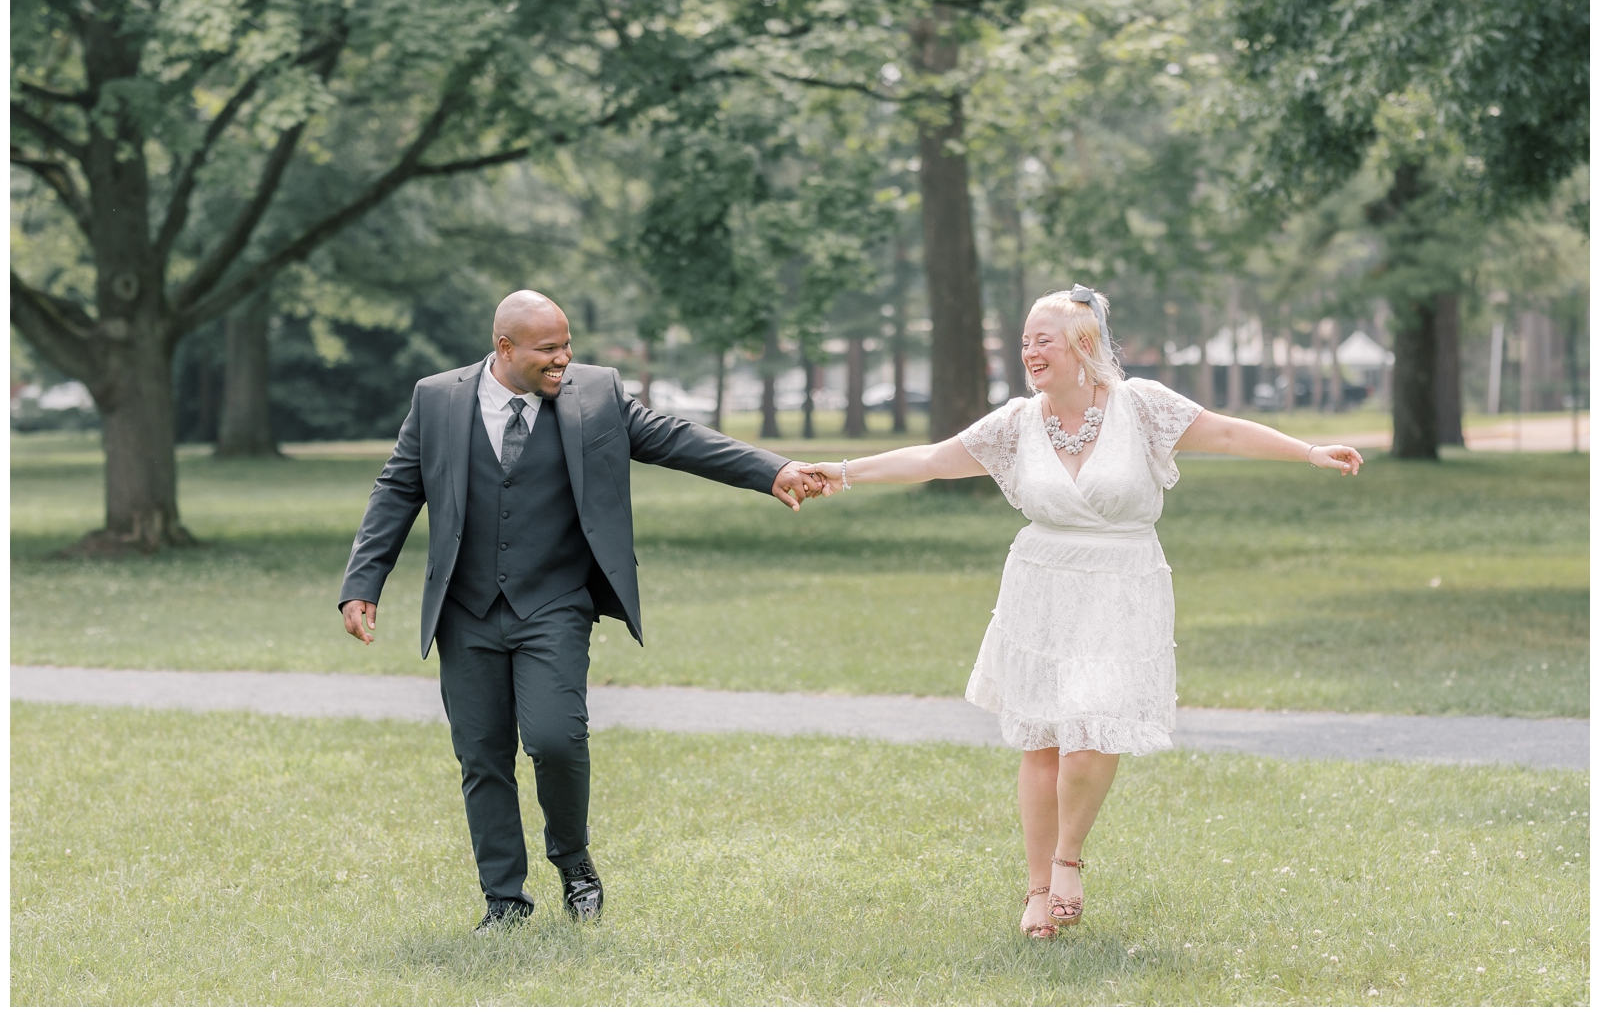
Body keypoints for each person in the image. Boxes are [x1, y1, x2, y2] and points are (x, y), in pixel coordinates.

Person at [805, 285, 1362, 940]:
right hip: (1041, 585)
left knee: (1093, 735)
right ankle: (1038, 889)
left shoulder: (1143, 407)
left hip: (1122, 585)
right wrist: (840, 473)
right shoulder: (1016, 421)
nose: (1029, 351)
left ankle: (1068, 860)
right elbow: (931, 459)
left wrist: (1309, 452)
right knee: (1040, 744)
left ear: (1083, 345)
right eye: (1025, 341)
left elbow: (1230, 433)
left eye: (1043, 339)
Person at [338, 290, 823, 933]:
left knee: (555, 740)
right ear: (505, 349)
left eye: (568, 345)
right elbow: (398, 487)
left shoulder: (597, 393)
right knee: (482, 757)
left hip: (553, 602)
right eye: (548, 349)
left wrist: (771, 469)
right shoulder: (437, 397)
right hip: (466, 608)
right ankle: (504, 901)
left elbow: (674, 438)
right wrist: (362, 581)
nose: (563, 359)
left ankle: (574, 863)